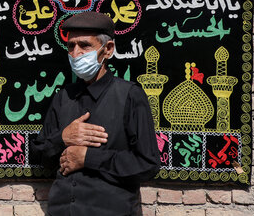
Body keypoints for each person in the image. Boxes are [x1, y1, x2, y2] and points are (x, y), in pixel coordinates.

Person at [32, 11, 160, 216]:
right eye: (71, 46)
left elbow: (147, 164)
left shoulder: (129, 96)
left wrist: (88, 158)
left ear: (107, 50)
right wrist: (63, 138)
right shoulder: (64, 97)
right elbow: (40, 157)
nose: (76, 53)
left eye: (85, 46)